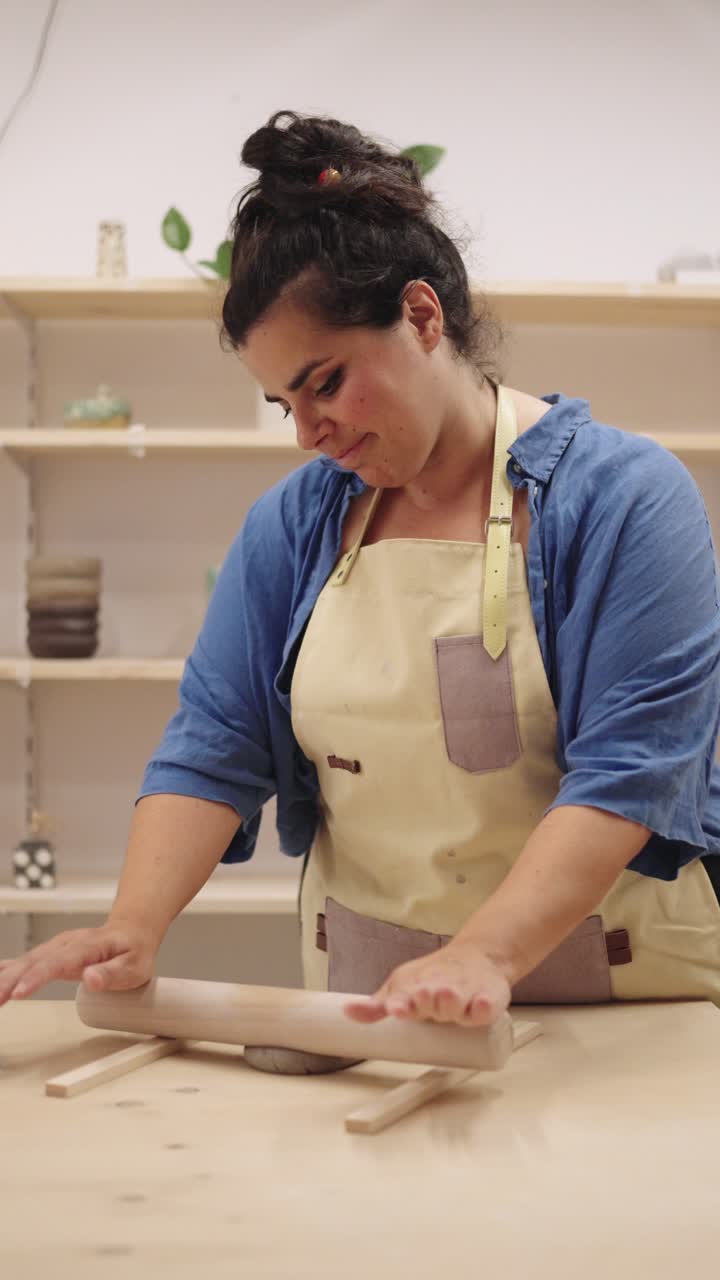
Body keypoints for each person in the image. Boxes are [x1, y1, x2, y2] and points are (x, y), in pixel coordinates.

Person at [2, 111, 720, 1049]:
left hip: (622, 1023)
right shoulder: (295, 525)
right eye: (283, 402)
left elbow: (631, 772)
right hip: (376, 1025)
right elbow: (215, 744)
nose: (308, 432)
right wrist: (132, 928)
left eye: (326, 382)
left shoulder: (621, 501)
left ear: (423, 317)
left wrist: (485, 954)